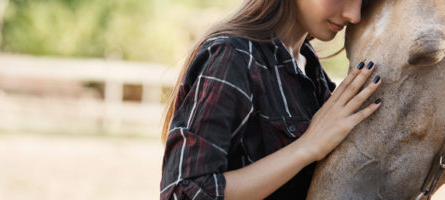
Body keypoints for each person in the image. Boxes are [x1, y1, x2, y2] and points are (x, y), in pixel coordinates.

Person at [160, 0, 380, 199]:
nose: (354, 15)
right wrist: (307, 146)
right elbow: (185, 192)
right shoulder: (232, 56)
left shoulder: (310, 69)